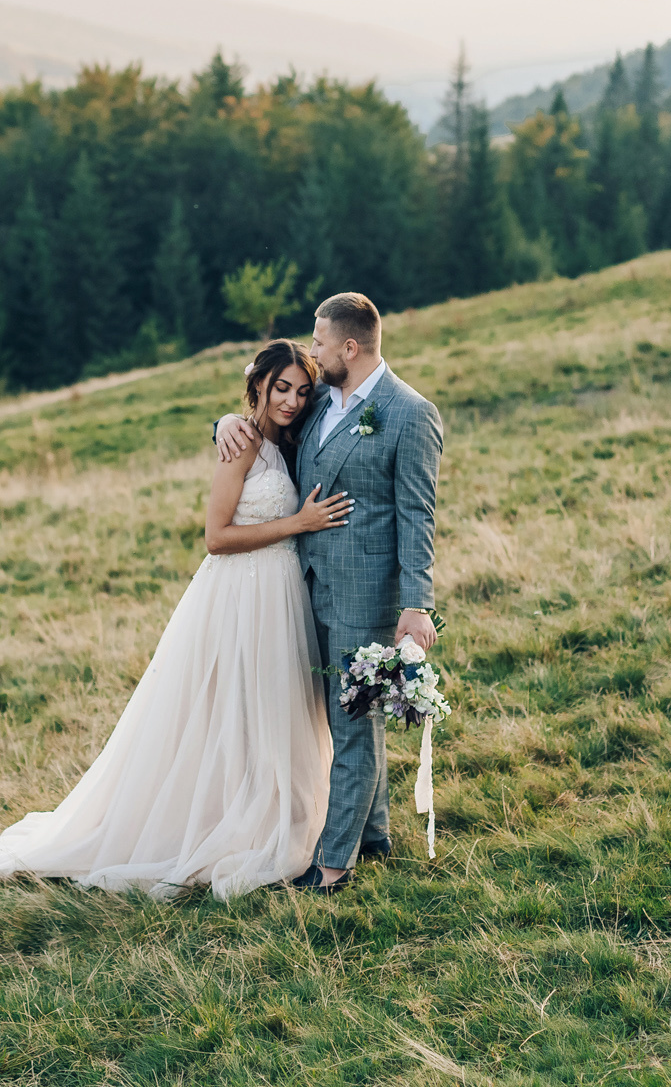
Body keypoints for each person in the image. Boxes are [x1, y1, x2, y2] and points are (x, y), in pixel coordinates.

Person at [0, 339, 351, 902]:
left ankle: (268, 809)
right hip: (240, 595)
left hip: (277, 595)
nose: (290, 400)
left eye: (300, 391)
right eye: (281, 387)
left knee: (267, 711)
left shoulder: (282, 441)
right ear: (258, 385)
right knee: (229, 710)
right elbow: (216, 538)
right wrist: (299, 522)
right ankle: (217, 822)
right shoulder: (240, 444)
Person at [213, 292, 442, 894]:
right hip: (304, 586)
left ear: (349, 346)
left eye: (318, 342)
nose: (311, 352)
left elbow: (417, 514)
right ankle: (374, 833)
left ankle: (333, 865)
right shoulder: (318, 403)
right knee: (342, 718)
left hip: (366, 594)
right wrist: (225, 424)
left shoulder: (409, 413)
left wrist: (415, 605)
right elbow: (271, 421)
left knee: (353, 722)